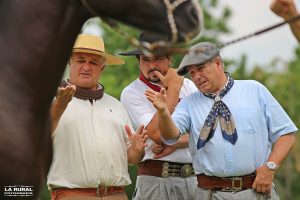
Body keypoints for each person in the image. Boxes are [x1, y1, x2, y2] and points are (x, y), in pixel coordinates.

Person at [146, 41, 298, 199]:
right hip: (210, 194)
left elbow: (286, 134)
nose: (196, 77)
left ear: (217, 63)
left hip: (256, 192)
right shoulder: (188, 103)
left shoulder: (254, 90)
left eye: (200, 69)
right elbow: (170, 136)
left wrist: (270, 167)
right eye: (192, 73)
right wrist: (163, 113)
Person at [47, 34, 148, 200]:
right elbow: (38, 139)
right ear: (69, 62)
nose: (86, 67)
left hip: (117, 195)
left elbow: (131, 159)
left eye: (93, 62)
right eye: (80, 60)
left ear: (102, 68)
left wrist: (137, 150)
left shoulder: (116, 106)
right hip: (72, 195)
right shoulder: (53, 103)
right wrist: (59, 106)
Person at [119, 32, 198, 200]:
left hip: (195, 180)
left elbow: (209, 132)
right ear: (138, 62)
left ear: (170, 59)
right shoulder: (132, 92)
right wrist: (174, 90)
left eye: (158, 58)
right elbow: (158, 136)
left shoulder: (190, 86)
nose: (152, 65)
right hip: (157, 180)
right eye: (145, 60)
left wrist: (176, 144)